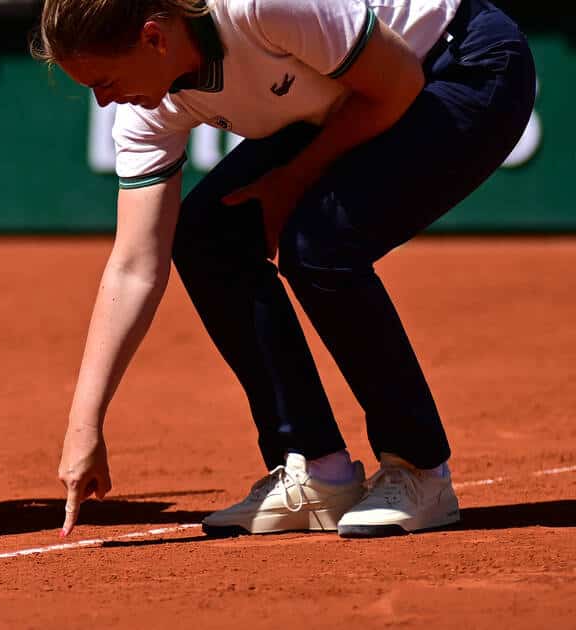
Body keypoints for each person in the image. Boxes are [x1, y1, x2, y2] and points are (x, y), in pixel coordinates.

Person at [33, 0, 534, 538]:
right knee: (207, 234)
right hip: (348, 95)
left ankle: (420, 470)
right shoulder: (148, 107)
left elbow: (396, 83)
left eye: (104, 81)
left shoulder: (259, 7)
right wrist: (84, 426)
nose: (103, 101)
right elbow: (134, 265)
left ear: (155, 38)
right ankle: (317, 469)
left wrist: (290, 184)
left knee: (320, 241)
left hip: (458, 66)